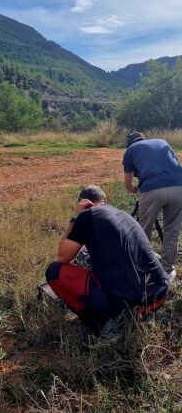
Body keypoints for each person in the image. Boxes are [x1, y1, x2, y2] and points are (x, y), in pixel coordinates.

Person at [45, 186, 170, 333]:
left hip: (133, 304)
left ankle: (103, 326)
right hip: (160, 294)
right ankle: (142, 315)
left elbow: (63, 256)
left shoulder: (87, 216)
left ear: (82, 204)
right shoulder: (123, 215)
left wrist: (75, 219)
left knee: (54, 271)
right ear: (105, 201)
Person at [123, 132, 182, 281]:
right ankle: (168, 270)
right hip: (178, 187)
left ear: (129, 143)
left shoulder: (130, 150)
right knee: (172, 231)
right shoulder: (162, 141)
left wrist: (136, 189)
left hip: (152, 189)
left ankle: (145, 269)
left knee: (144, 230)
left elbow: (128, 185)